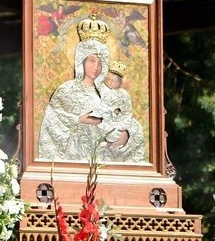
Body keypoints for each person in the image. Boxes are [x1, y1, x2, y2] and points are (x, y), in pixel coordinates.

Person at [37, 15, 145, 163]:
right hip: (77, 159)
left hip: (105, 160)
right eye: (92, 60)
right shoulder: (67, 90)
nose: (96, 67)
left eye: (100, 62)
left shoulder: (109, 92)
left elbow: (126, 120)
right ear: (81, 60)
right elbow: (52, 120)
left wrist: (126, 134)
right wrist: (79, 120)